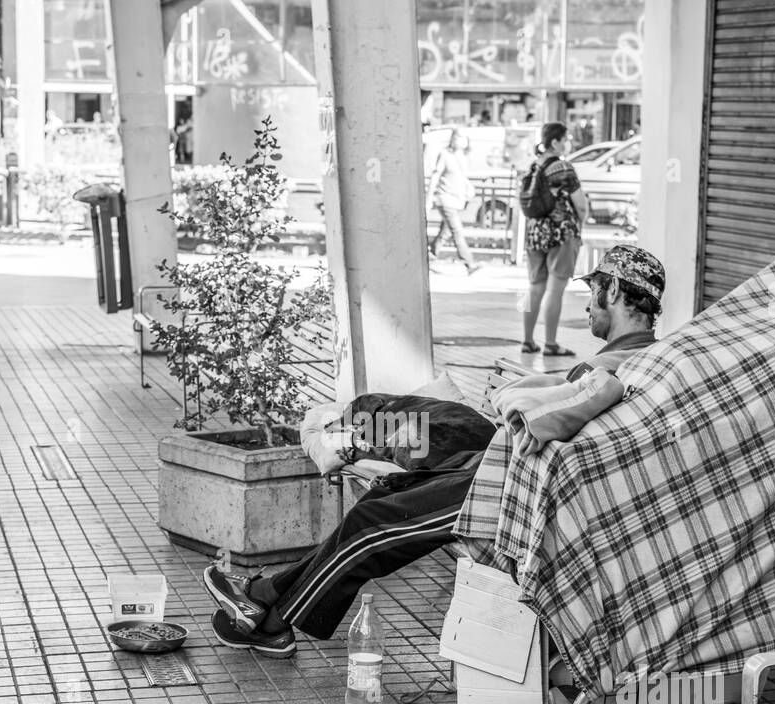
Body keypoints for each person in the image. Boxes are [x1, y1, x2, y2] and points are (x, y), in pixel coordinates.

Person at [201, 244, 667, 658]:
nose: (587, 304)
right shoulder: (634, 359)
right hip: (499, 473)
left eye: (595, 290)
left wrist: (516, 401)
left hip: (513, 494)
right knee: (381, 501)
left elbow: (546, 422)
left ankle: (271, 615)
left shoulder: (615, 367)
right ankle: (262, 600)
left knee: (373, 525)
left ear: (616, 291)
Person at [520, 122, 588, 357]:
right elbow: (580, 204)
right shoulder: (563, 168)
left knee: (534, 288)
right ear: (555, 142)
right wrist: (580, 226)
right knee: (555, 289)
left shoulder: (533, 166)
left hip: (534, 233)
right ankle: (550, 343)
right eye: (566, 138)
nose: (568, 143)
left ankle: (527, 340)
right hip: (561, 232)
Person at [426, 129, 481, 275]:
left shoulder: (463, 157)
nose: (459, 140)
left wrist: (468, 187)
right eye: (457, 137)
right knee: (457, 230)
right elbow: (435, 176)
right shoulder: (445, 155)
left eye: (463, 138)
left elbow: (461, 177)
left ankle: (430, 258)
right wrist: (429, 198)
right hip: (444, 198)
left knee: (445, 232)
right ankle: (469, 263)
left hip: (457, 199)